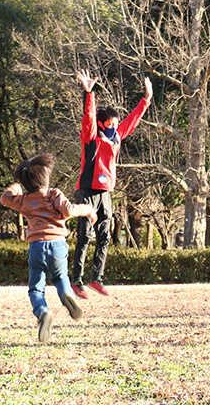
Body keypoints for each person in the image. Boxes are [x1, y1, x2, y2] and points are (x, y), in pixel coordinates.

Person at [72, 69, 153, 299]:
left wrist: (146, 99)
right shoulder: (91, 135)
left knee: (105, 236)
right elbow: (88, 118)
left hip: (106, 192)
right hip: (87, 191)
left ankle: (96, 277)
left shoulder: (117, 136)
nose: (115, 125)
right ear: (102, 123)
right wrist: (89, 92)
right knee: (85, 235)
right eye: (111, 122)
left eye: (116, 122)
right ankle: (77, 280)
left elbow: (133, 121)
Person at [0, 154, 97, 342]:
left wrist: (15, 187)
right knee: (60, 278)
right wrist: (88, 209)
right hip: (58, 245)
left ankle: (43, 312)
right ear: (46, 178)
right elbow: (69, 211)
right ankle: (67, 295)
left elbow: (5, 198)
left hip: (36, 247)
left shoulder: (24, 200)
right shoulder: (54, 194)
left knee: (36, 288)